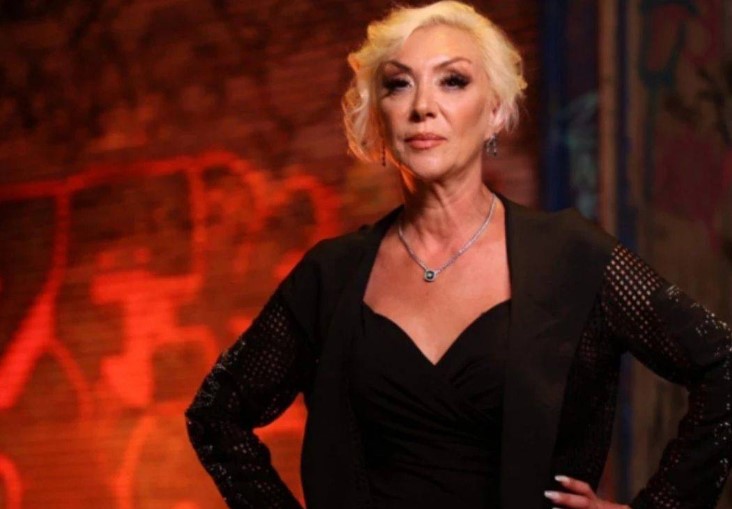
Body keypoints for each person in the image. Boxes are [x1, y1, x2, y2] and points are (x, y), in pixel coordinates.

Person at [185, 2, 732, 508]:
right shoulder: (331, 276)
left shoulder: (571, 255)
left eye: (453, 81)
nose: (423, 107)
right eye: (398, 85)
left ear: (495, 112)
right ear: (379, 118)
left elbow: (722, 365)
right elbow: (216, 415)